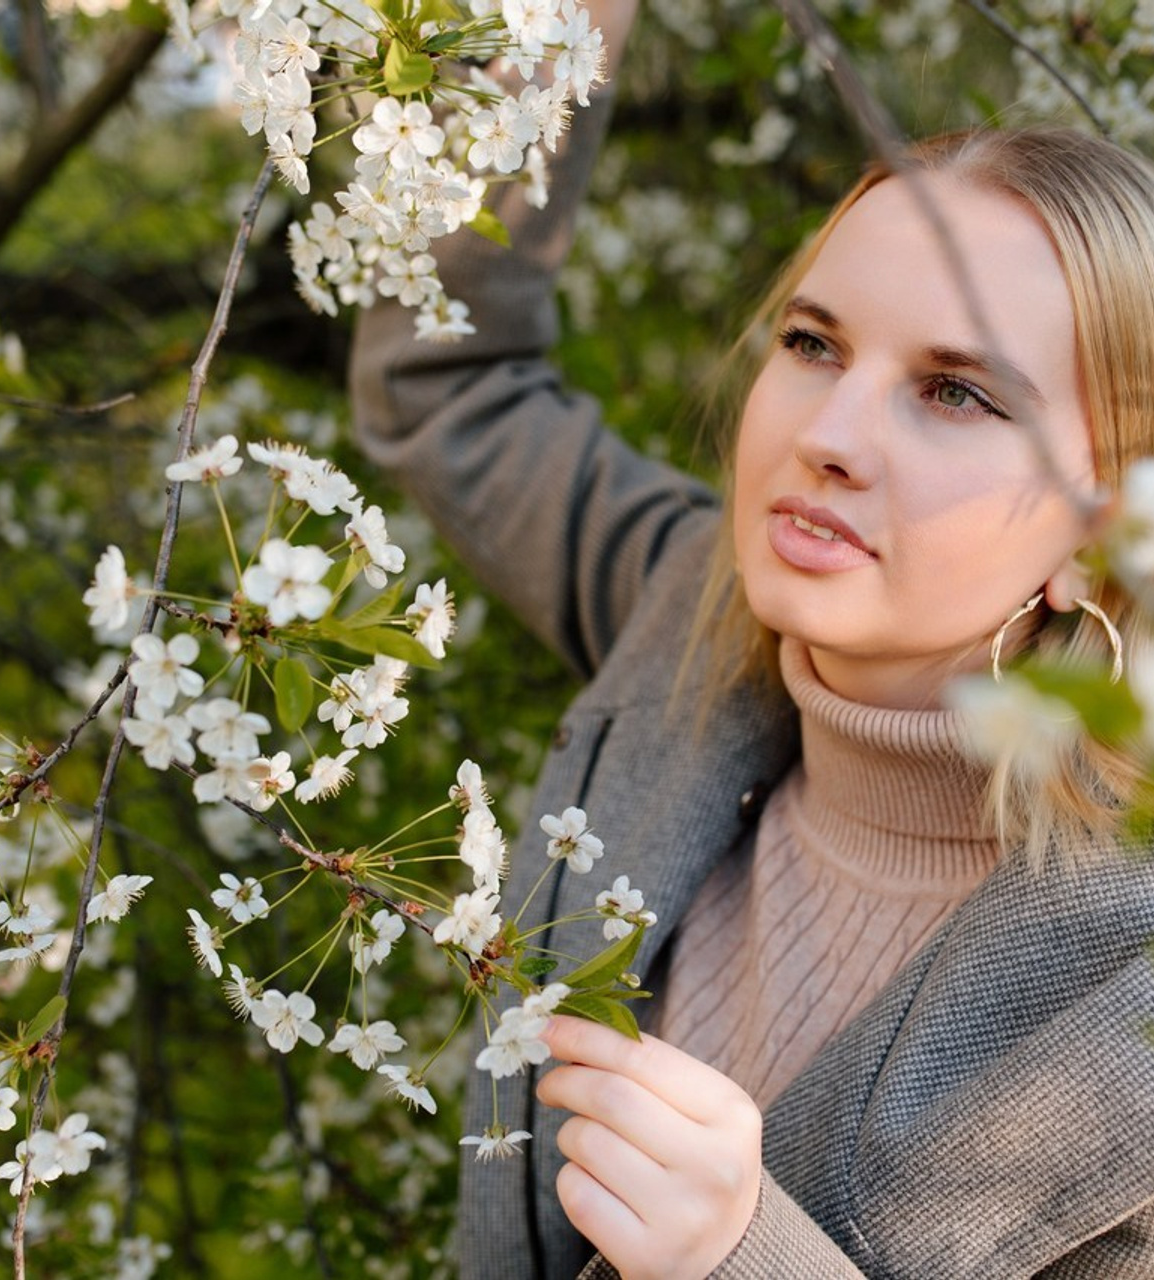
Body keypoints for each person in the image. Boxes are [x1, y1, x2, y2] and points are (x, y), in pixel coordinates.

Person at [349, 4, 1154, 1276]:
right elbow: (450, 381)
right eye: (809, 341)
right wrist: (541, 42)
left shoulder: (1128, 978)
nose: (827, 430)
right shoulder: (686, 611)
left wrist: (742, 1253)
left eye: (954, 390)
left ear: (1102, 523)